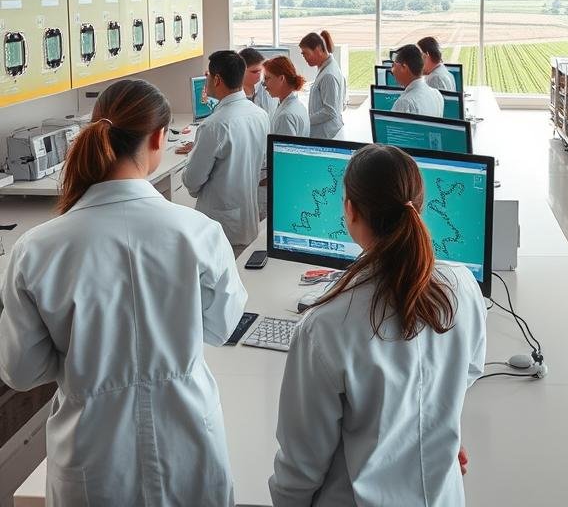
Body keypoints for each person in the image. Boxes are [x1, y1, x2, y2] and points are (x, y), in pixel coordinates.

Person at [0, 78, 247, 507]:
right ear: (157, 137)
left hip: (91, 458)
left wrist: (85, 351)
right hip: (189, 442)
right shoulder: (198, 232)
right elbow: (221, 329)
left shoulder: (37, 249)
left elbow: (21, 372)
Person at [269, 144, 486, 506]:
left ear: (350, 210)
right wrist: (432, 437)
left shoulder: (325, 325)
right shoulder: (462, 285)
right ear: (419, 205)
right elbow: (467, 372)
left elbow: (301, 464)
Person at [181, 50, 269, 252]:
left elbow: (192, 180)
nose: (207, 81)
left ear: (217, 79)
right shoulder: (260, 115)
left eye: (208, 76)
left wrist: (193, 157)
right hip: (248, 215)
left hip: (222, 225)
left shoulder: (214, 125)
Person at [300, 30, 345, 139]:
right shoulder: (327, 69)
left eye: (306, 53)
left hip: (326, 135)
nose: (304, 57)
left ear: (318, 49)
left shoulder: (328, 75)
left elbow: (330, 111)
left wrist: (305, 120)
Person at [390, 43, 444, 117]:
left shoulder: (405, 103)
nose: (392, 70)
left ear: (404, 67)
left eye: (394, 66)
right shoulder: (437, 94)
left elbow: (393, 127)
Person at [263, 55, 310, 138]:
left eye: (267, 78)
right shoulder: (297, 105)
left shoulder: (286, 116)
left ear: (281, 78)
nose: (264, 84)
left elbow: (284, 150)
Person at [239, 47, 279, 116]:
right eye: (254, 72)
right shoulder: (233, 91)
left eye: (261, 70)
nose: (259, 74)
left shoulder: (268, 88)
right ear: (240, 71)